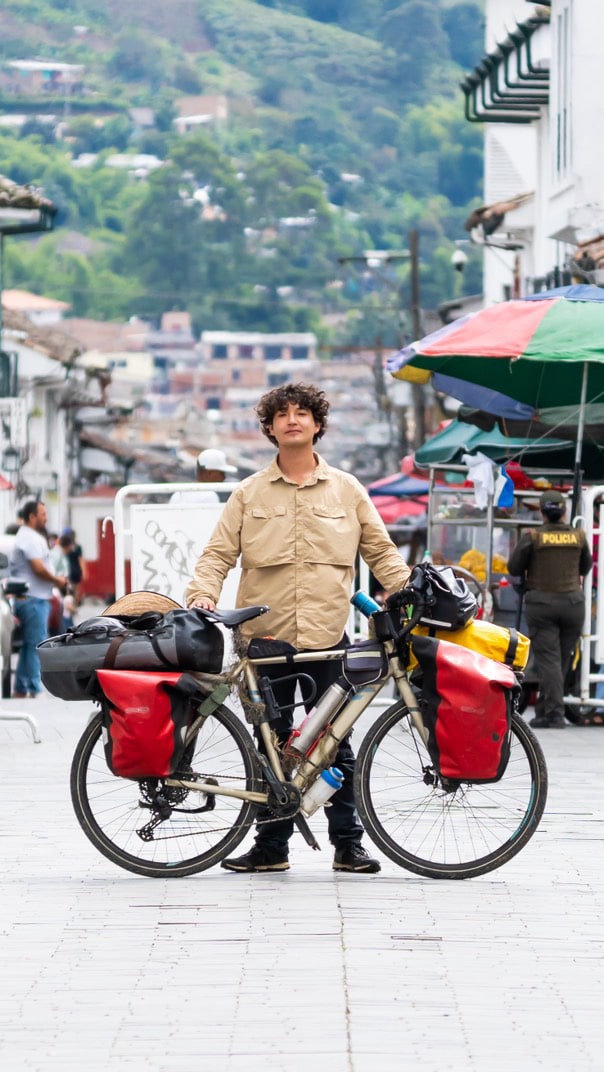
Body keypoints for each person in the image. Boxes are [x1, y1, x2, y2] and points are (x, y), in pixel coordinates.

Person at [186, 383, 411, 874]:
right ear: (269, 428)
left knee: (335, 744)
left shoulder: (347, 490)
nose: (292, 420)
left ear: (317, 424)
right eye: (282, 414)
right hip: (265, 641)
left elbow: (380, 551)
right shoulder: (248, 493)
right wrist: (202, 593)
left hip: (327, 641)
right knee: (272, 745)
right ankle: (271, 849)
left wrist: (407, 589)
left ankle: (348, 845)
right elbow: (218, 554)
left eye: (302, 413)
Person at [508, 490, 593, 729]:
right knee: (560, 660)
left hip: (542, 605)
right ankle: (545, 709)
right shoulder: (578, 536)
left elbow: (514, 568)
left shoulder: (533, 537)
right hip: (573, 605)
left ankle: (554, 713)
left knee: (549, 661)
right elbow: (586, 566)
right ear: (564, 512)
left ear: (542, 512)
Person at [9, 500, 68, 698]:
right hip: (33, 599)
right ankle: (34, 686)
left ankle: (21, 687)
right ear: (32, 516)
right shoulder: (29, 537)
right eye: (43, 514)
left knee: (30, 644)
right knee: (36, 644)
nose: (46, 518)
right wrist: (57, 580)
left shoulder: (30, 536)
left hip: (34, 598)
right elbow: (38, 567)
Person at [169, 448, 237, 505]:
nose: (224, 477)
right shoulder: (209, 496)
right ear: (209, 474)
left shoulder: (178, 494)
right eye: (221, 473)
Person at [61, 528, 87, 608]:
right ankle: (74, 605)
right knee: (76, 589)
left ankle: (69, 605)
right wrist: (84, 571)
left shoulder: (65, 546)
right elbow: (80, 560)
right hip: (76, 569)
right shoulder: (77, 547)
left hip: (68, 570)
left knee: (68, 588)